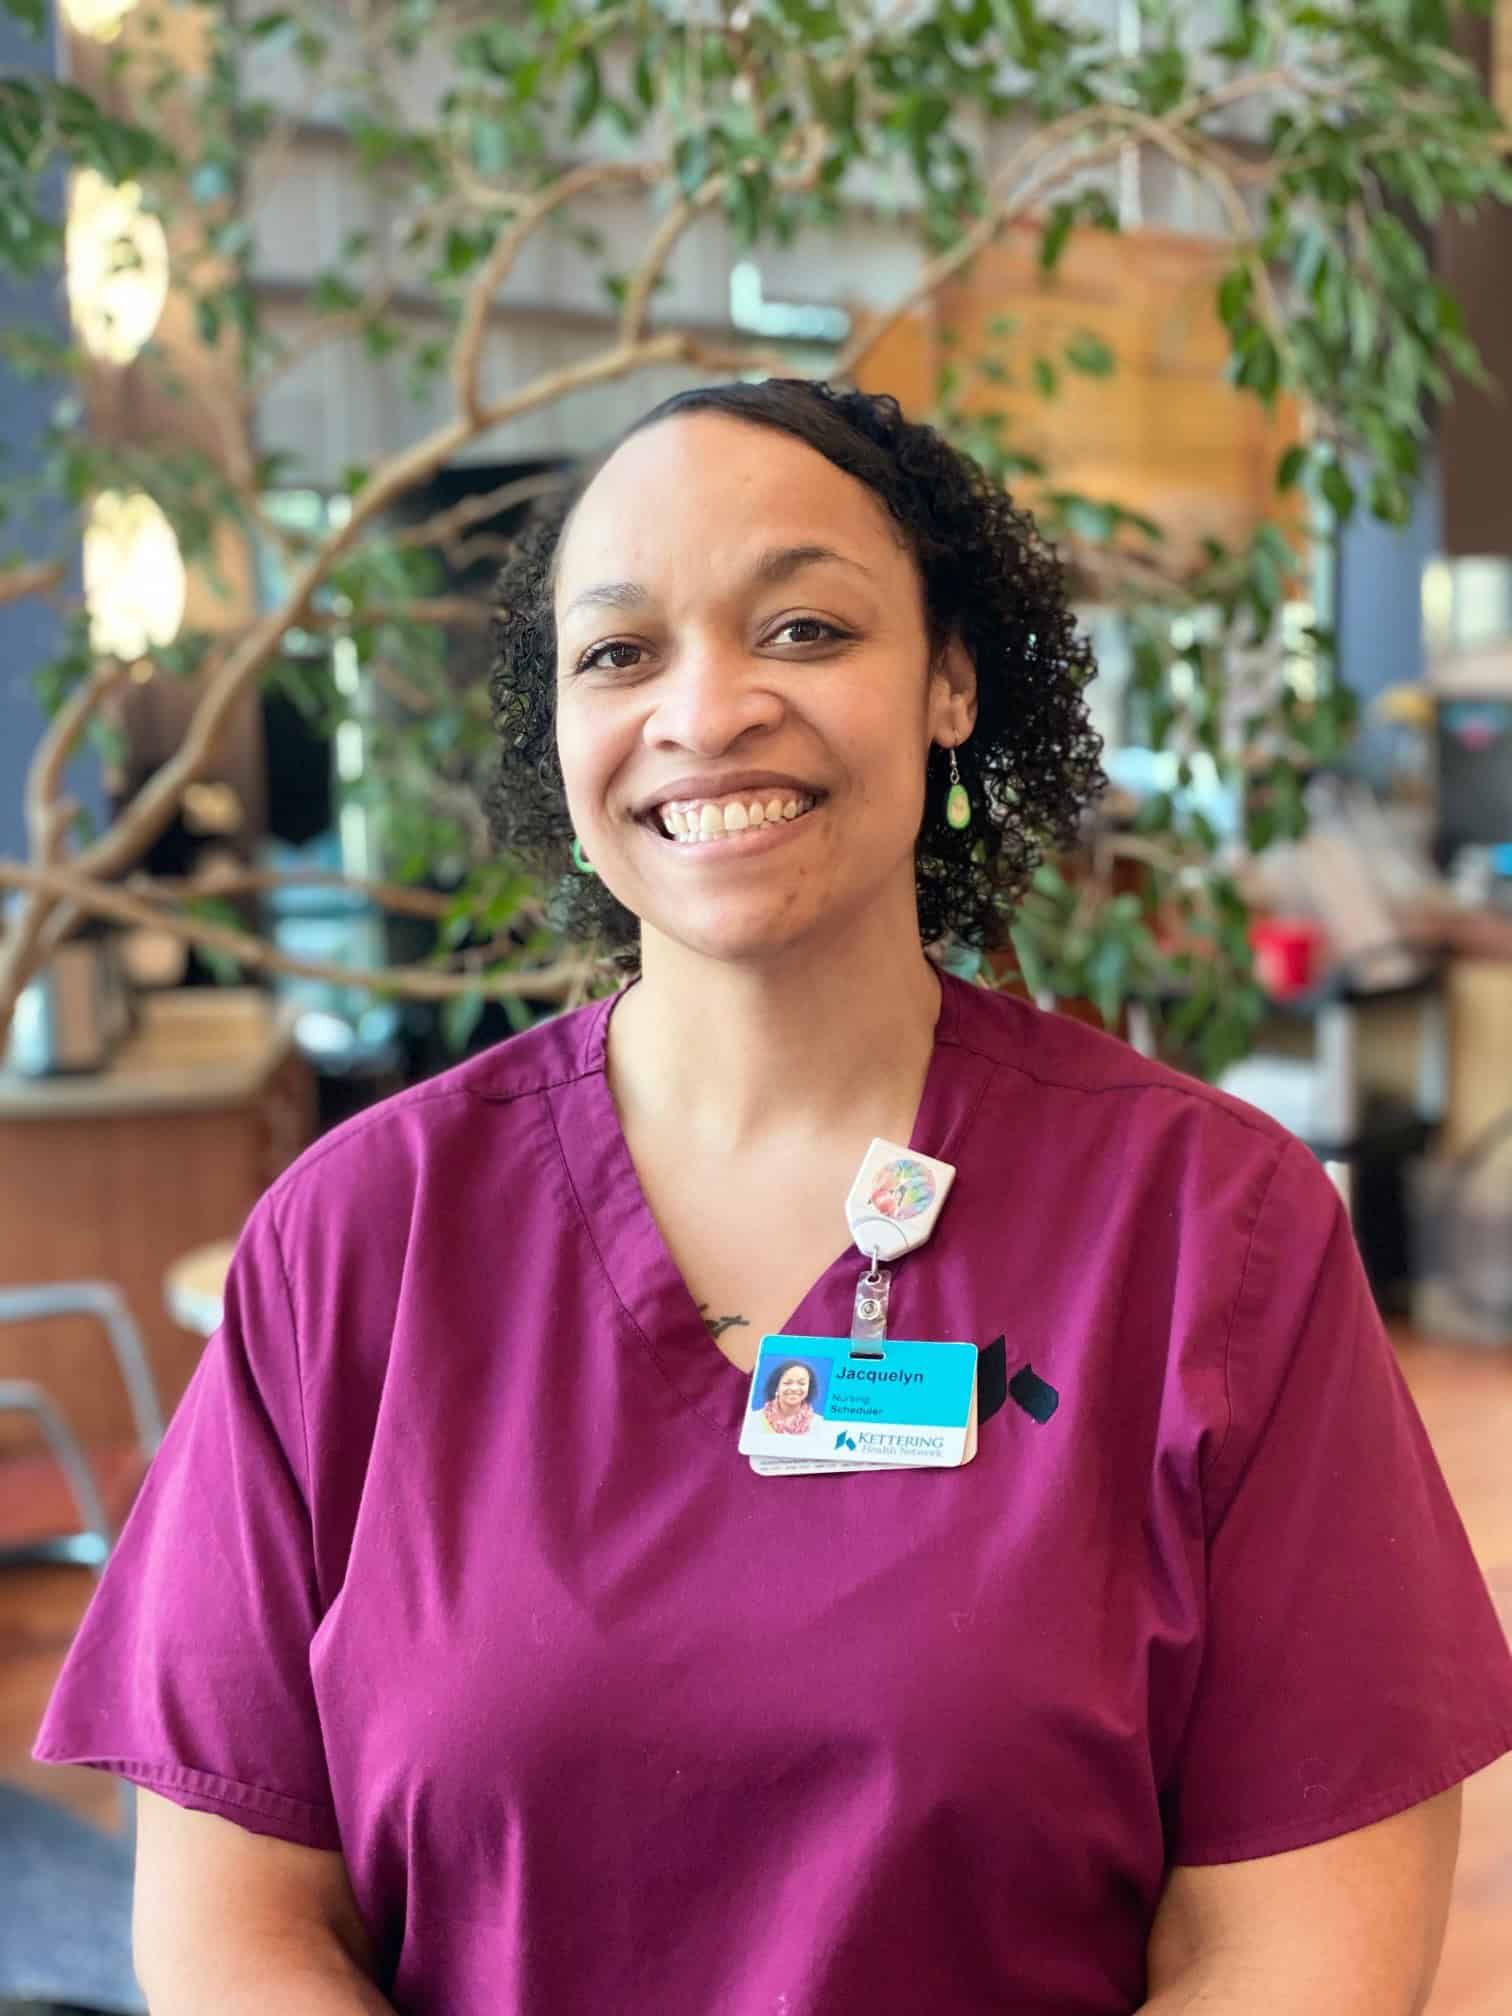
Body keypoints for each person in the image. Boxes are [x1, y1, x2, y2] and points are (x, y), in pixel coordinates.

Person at [34, 379, 1512, 2015]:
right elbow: (234, 1923)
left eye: (804, 628)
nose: (706, 707)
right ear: (559, 731)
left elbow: (1296, 1948)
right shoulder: (353, 1243)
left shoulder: (1207, 1232)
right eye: (619, 653)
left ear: (948, 678)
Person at [760, 1358, 822, 1434]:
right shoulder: (755, 1419)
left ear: (809, 1387)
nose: (794, 1388)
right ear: (776, 1386)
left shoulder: (819, 1425)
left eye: (802, 1383)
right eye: (787, 1383)